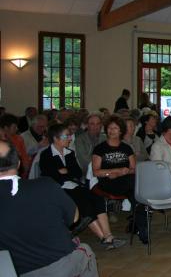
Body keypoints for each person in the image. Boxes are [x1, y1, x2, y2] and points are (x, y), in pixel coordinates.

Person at [0, 141, 98, 276]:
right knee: (85, 251)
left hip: (10, 271)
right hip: (55, 266)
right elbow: (74, 217)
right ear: (18, 163)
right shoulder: (45, 185)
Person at [39, 124, 126, 250]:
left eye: (70, 135)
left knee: (97, 198)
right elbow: (51, 176)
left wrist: (64, 171)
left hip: (74, 186)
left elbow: (77, 173)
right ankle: (104, 238)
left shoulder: (69, 153)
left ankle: (108, 235)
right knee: (85, 202)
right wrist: (64, 173)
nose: (69, 138)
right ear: (56, 138)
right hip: (58, 189)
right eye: (66, 136)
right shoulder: (46, 155)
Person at [0, 113, 32, 178]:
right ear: (6, 128)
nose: (17, 129)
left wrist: (26, 167)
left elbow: (24, 155)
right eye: (14, 127)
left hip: (18, 170)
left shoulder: (19, 139)